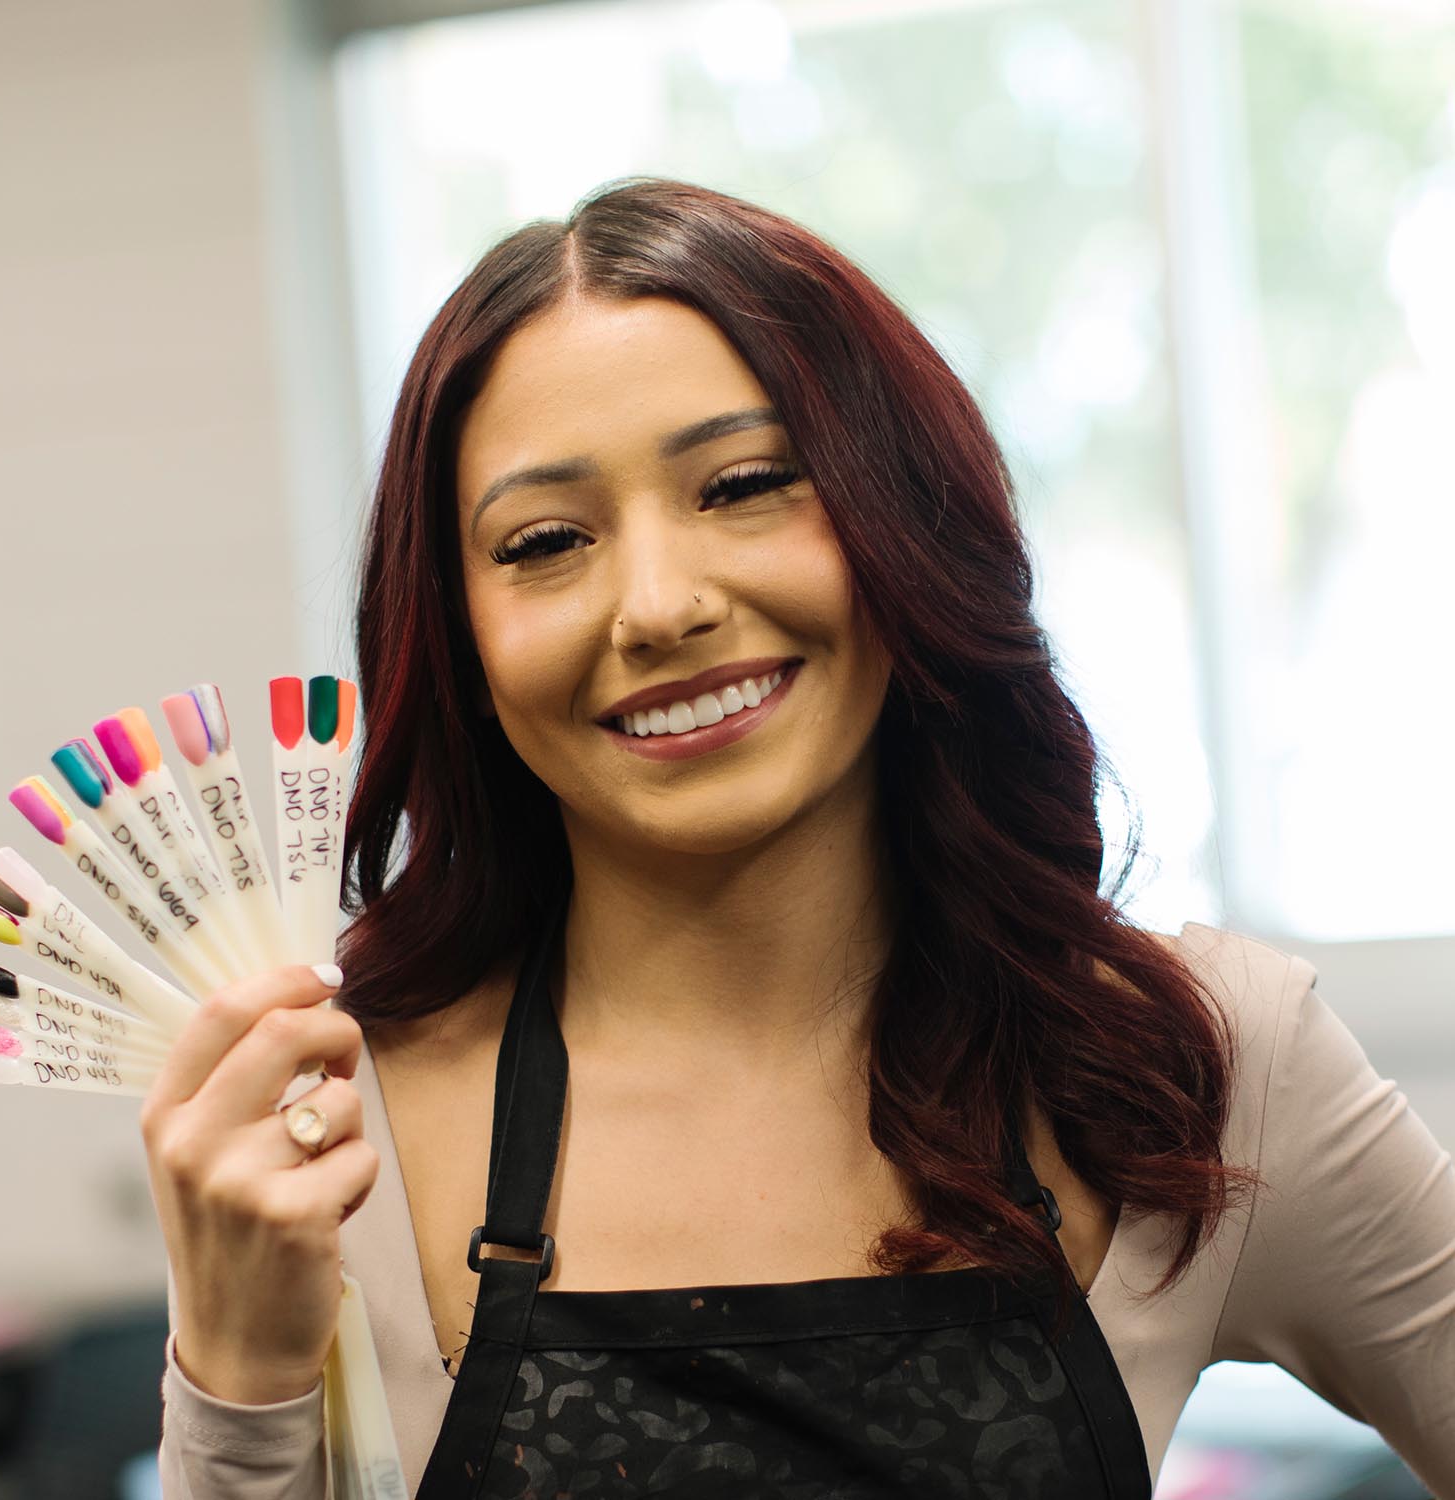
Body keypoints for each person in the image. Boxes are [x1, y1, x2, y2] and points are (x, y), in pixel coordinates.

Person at [146, 178, 1455, 1499]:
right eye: (547, 541)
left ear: (905, 527)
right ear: (463, 644)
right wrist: (235, 1368)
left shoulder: (1197, 1062)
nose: (658, 605)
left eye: (746, 483)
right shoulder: (340, 1131)